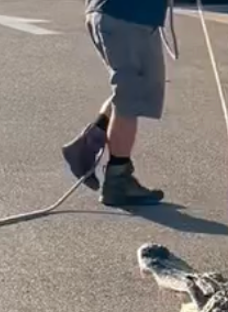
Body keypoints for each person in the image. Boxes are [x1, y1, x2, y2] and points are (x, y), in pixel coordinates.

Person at [61, 0, 171, 207]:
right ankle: (118, 181)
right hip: (127, 18)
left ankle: (88, 144)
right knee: (131, 97)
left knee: (133, 91)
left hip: (115, 15)